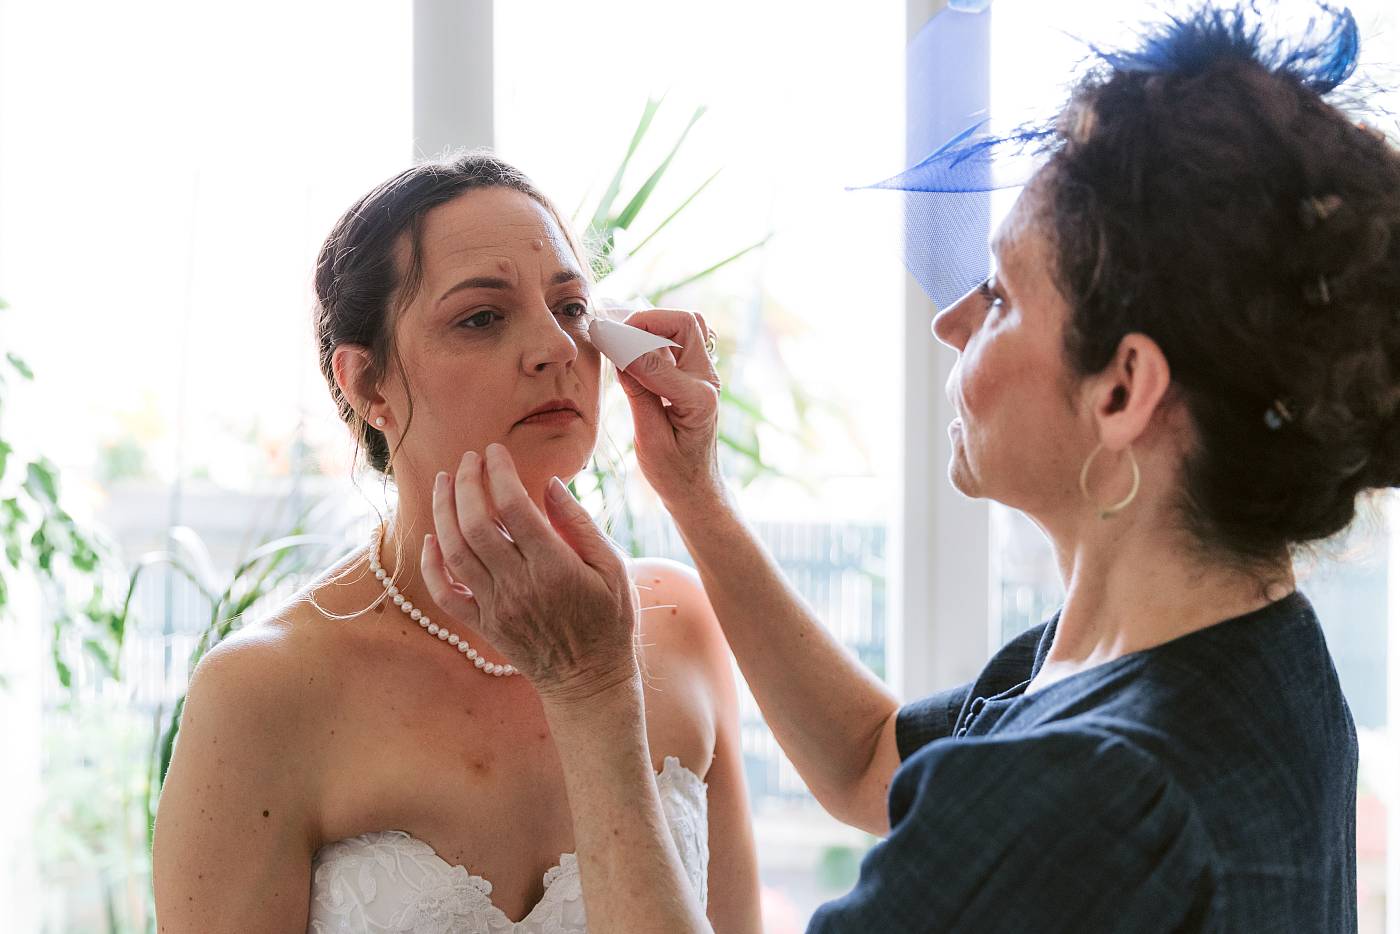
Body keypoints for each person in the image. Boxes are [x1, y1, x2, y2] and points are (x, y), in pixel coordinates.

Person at [416, 4, 1395, 931]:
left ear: (1122, 390)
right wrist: (695, 495)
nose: (948, 320)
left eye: (1000, 296)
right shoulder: (1236, 652)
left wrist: (589, 689)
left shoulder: (1085, 791)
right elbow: (864, 758)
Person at [150, 154, 763, 933]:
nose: (555, 348)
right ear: (367, 384)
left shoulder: (679, 626)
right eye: (481, 317)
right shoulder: (262, 693)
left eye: (572, 308)